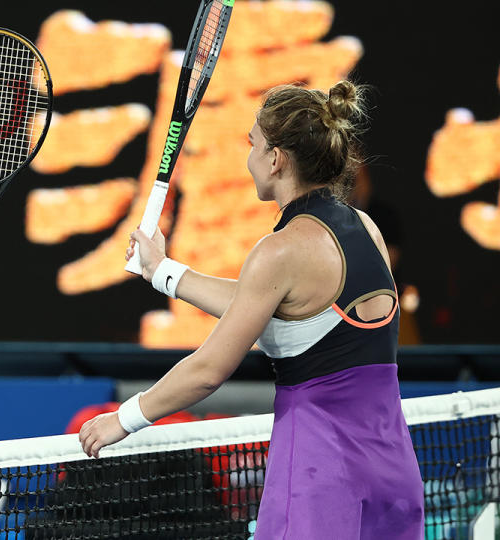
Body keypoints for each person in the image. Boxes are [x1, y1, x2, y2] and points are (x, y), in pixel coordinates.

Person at [79, 81, 424, 538]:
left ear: (277, 158)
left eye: (253, 144)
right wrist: (161, 271)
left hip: (319, 479)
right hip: (394, 476)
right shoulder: (365, 228)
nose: (249, 158)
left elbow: (208, 370)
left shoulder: (279, 252)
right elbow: (269, 307)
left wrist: (123, 419)